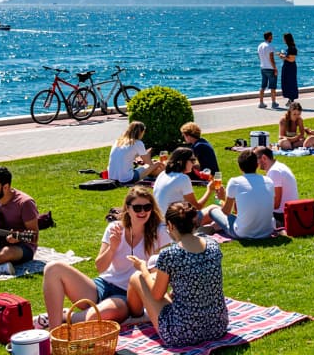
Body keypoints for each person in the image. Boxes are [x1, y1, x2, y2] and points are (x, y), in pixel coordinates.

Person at [40, 187, 171, 330]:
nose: (143, 212)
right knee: (53, 268)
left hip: (126, 296)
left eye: (147, 207)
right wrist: (112, 248)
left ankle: (64, 316)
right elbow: (100, 267)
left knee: (94, 317)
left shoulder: (159, 232)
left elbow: (161, 271)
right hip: (102, 285)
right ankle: (54, 332)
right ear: (127, 208)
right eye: (138, 208)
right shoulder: (115, 228)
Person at [124, 203, 229, 347]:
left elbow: (156, 295)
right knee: (154, 279)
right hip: (217, 326)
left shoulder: (170, 254)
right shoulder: (213, 245)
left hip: (182, 333)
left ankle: (136, 316)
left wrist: (143, 267)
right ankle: (138, 315)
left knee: (138, 277)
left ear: (170, 226)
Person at [202, 150, 275, 240]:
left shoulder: (235, 182)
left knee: (212, 210)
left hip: (243, 233)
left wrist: (221, 200)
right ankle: (213, 226)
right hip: (267, 231)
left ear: (240, 167)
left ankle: (192, 228)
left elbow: (226, 212)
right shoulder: (269, 181)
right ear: (257, 165)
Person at [153, 148, 213, 215]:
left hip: (158, 220)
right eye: (192, 160)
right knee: (213, 208)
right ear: (181, 161)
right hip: (172, 222)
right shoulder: (183, 178)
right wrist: (209, 190)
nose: (194, 164)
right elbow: (197, 207)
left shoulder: (163, 174)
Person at [255, 146, 298, 227]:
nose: (254, 163)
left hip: (282, 215)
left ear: (264, 158)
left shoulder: (274, 172)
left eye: (255, 159)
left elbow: (276, 204)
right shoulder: (278, 166)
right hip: (290, 211)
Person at [257, 31, 279, 108]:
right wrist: (275, 68)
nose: (272, 37)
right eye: (271, 36)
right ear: (269, 37)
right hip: (270, 68)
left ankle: (261, 102)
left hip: (263, 67)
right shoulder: (270, 46)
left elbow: (259, 56)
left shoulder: (260, 46)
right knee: (273, 87)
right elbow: (271, 58)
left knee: (263, 86)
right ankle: (273, 103)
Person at [278, 33, 299, 105]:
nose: (283, 40)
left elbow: (292, 59)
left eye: (284, 38)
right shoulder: (289, 48)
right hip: (287, 67)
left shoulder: (292, 48)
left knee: (290, 82)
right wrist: (282, 55)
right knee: (286, 82)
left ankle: (292, 99)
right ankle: (290, 99)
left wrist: (283, 56)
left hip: (290, 68)